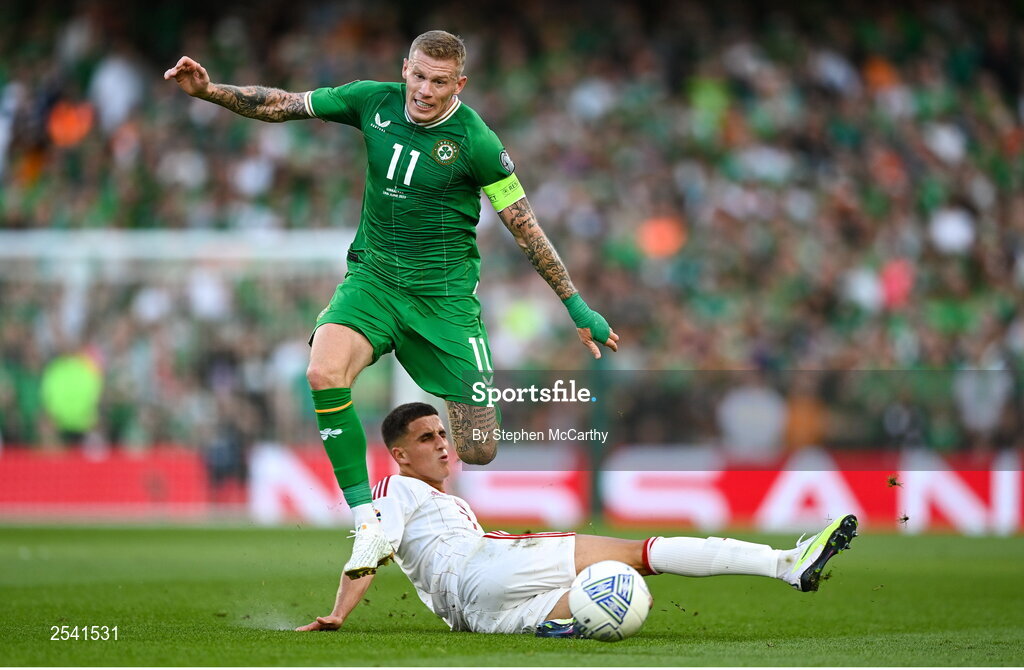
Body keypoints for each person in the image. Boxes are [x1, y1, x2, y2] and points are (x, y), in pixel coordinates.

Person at [164, 30, 619, 578]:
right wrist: (211, 91)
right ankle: (368, 523)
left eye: (440, 82)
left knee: (478, 448)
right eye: (419, 76)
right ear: (405, 67)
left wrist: (576, 306)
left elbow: (525, 229)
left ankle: (424, 476)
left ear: (460, 84)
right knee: (323, 371)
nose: (425, 90)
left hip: (443, 302)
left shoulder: (476, 142)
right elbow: (286, 104)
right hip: (374, 280)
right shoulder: (371, 100)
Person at [296, 402, 859, 636]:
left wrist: (337, 617)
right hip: (483, 565)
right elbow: (371, 540)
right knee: (641, 555)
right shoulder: (394, 488)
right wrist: (338, 613)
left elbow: (382, 548)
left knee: (603, 596)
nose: (444, 445)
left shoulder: (446, 503)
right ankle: (786, 562)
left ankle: (566, 623)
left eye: (444, 433)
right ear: (400, 454)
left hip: (474, 619)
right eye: (427, 438)